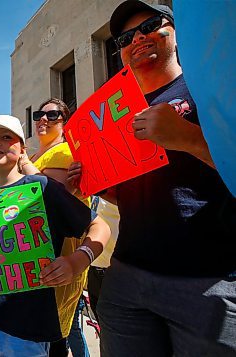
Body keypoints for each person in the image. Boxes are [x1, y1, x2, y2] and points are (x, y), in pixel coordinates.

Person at [67, 1, 236, 355]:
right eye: (126, 37)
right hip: (128, 278)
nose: (138, 38)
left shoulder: (209, 88)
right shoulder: (116, 112)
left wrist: (188, 138)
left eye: (150, 26)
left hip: (208, 280)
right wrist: (93, 183)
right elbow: (131, 197)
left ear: (174, 31)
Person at [0, 115, 110, 356]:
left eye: (5, 137)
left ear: (22, 149)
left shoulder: (42, 187)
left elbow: (100, 226)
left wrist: (77, 261)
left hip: (28, 326)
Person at [20, 98, 91, 357]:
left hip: (58, 252)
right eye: (39, 114)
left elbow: (48, 199)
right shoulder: (37, 155)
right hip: (32, 251)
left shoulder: (64, 151)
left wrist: (23, 164)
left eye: (53, 116)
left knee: (55, 335)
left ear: (65, 122)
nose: (43, 120)